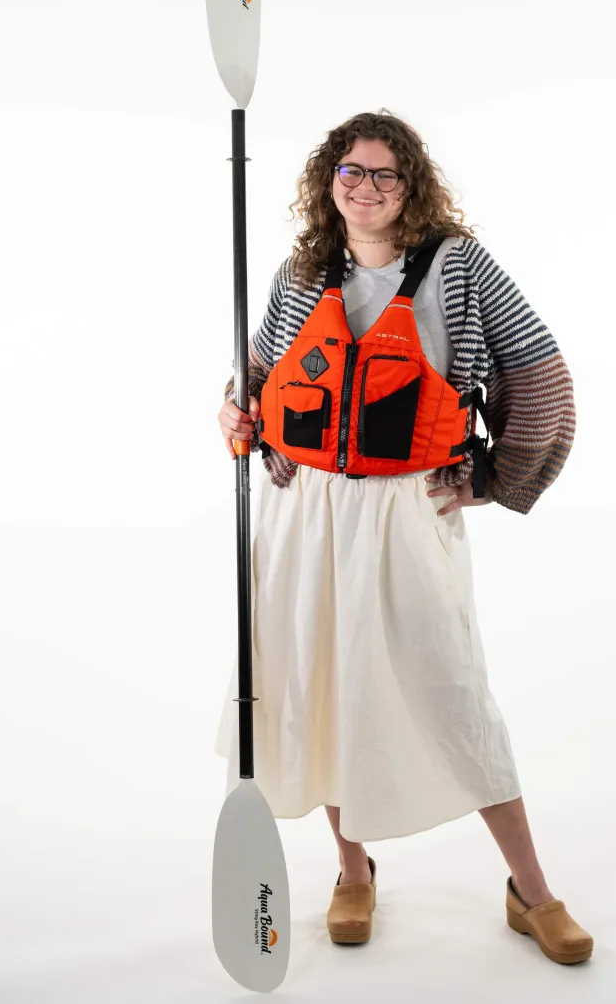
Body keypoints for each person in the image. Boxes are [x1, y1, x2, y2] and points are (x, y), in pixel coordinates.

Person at [214, 110, 593, 963]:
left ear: (411, 186)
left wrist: (494, 476)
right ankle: (353, 871)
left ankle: (532, 892)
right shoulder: (300, 271)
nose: (369, 188)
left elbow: (542, 374)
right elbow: (258, 380)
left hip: (405, 511)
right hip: (305, 512)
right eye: (353, 172)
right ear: (329, 182)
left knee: (452, 690)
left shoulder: (457, 268)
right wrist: (240, 416)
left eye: (387, 175)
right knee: (320, 682)